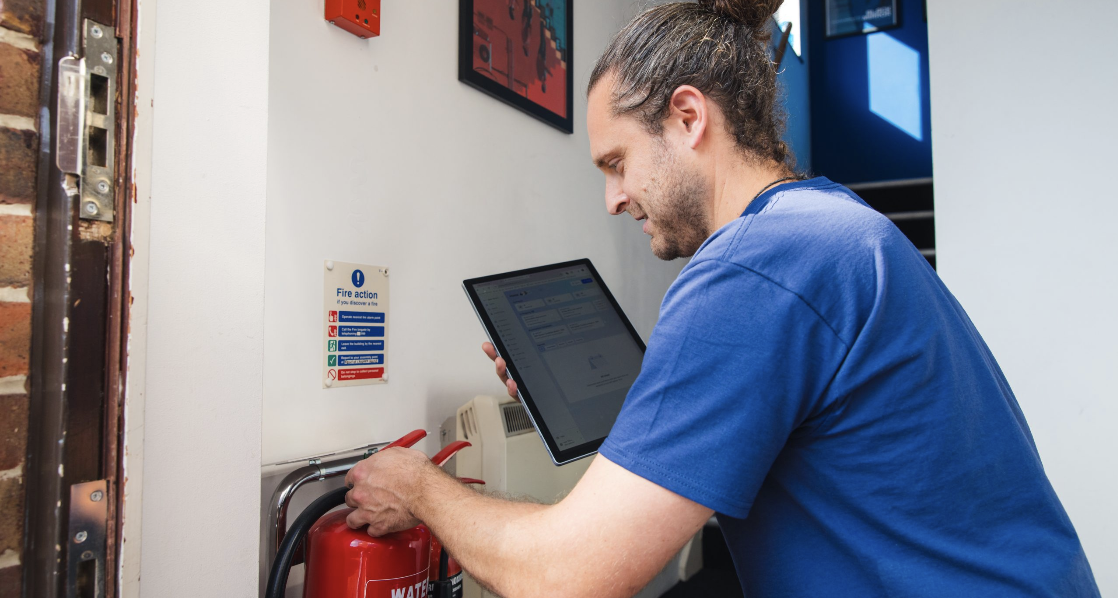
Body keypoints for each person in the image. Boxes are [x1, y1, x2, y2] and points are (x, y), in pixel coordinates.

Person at [345, 1, 1101, 596]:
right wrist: (645, 405)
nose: (611, 199)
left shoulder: (755, 267)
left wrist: (419, 488)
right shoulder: (828, 226)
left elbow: (564, 577)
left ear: (688, 118)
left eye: (617, 162)